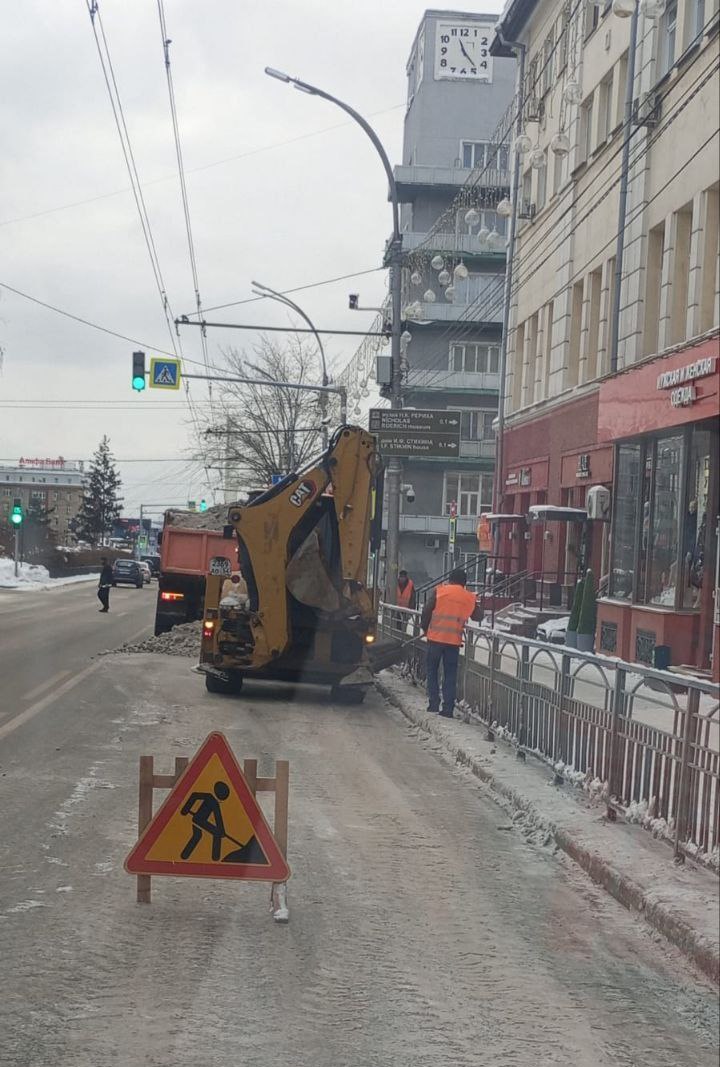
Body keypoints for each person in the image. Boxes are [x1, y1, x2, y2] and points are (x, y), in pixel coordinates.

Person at [421, 567, 481, 717]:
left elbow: (426, 610)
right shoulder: (468, 597)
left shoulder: (440, 591)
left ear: (450, 580)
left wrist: (425, 628)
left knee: (432, 671)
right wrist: (474, 602)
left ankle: (433, 704)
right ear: (464, 583)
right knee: (450, 675)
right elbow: (478, 616)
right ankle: (448, 708)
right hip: (453, 642)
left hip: (435, 639)